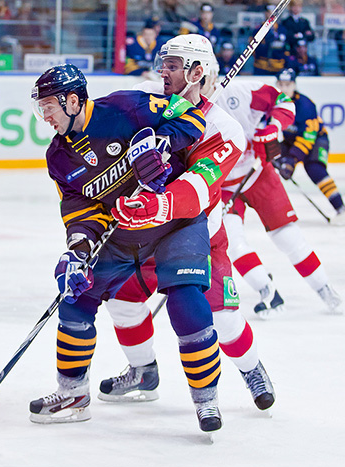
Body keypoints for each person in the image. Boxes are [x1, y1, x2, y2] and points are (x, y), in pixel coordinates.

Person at [28, 63, 227, 433]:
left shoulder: (125, 107)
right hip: (121, 232)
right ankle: (73, 394)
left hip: (174, 222)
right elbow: (80, 210)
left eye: (49, 108)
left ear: (73, 101)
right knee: (75, 298)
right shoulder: (58, 157)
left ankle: (206, 399)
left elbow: (191, 116)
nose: (46, 117)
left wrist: (162, 142)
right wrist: (77, 251)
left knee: (186, 301)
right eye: (42, 109)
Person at [99, 36, 275, 413]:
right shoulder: (147, 96)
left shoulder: (225, 129)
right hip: (146, 234)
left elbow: (198, 186)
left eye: (173, 65)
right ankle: (143, 372)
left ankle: (252, 369)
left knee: (223, 320)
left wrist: (157, 203)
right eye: (163, 63)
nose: (163, 71)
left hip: (199, 237)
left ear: (197, 72)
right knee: (122, 300)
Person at [214, 79, 343, 317]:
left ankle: (324, 288)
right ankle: (268, 291)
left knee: (287, 237)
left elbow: (283, 102)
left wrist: (274, 128)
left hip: (258, 173)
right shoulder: (179, 103)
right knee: (233, 242)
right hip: (221, 185)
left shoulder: (241, 91)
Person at [274, 68, 345, 224]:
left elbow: (308, 137)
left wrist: (291, 160)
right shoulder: (274, 103)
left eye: (287, 85)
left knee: (315, 169)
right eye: (281, 84)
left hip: (317, 140)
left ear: (294, 85)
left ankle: (342, 209)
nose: (284, 88)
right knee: (268, 159)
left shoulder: (305, 105)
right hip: (291, 141)